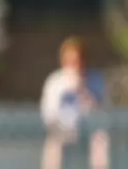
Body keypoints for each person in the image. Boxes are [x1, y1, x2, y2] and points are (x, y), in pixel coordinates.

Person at [41, 37, 110, 169]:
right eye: (71, 62)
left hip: (89, 130)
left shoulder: (96, 80)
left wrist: (83, 90)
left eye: (78, 61)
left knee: (100, 140)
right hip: (63, 129)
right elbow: (48, 113)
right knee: (53, 144)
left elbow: (102, 112)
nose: (75, 65)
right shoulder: (55, 82)